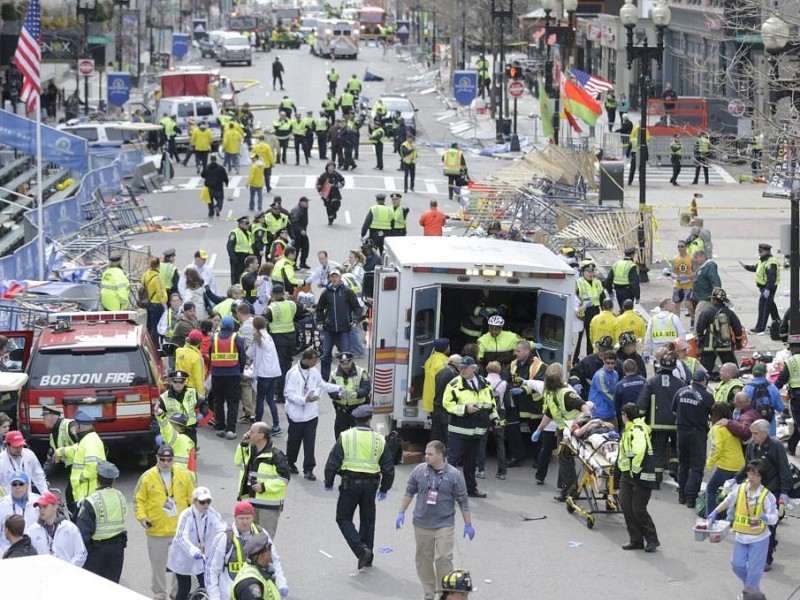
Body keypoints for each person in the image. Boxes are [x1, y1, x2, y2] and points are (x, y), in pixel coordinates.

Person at [395, 440, 472, 600]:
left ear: (440, 455)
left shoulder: (454, 475)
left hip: (444, 524)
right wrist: (401, 512)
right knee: (423, 559)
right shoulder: (418, 471)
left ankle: (444, 593)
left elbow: (463, 500)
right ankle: (429, 593)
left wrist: (468, 524)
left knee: (444, 558)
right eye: (426, 453)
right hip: (422, 523)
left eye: (430, 454)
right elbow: (409, 491)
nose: (426, 456)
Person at [323, 404, 395, 571]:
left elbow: (333, 461)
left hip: (350, 485)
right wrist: (385, 488)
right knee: (368, 521)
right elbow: (388, 468)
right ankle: (367, 556)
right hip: (371, 486)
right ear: (370, 419)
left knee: (343, 518)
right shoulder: (379, 439)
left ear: (355, 419)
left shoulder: (345, 436)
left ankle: (361, 550)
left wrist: (328, 482)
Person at [709, 460, 779, 596]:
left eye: (756, 475)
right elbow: (728, 500)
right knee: (737, 565)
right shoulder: (740, 489)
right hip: (741, 536)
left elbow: (774, 516)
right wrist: (715, 512)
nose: (751, 477)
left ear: (761, 477)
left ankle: (748, 594)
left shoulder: (766, 496)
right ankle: (753, 591)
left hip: (759, 538)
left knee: (754, 571)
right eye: (750, 473)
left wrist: (766, 518)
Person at [134, 445, 196, 600]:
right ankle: (159, 593)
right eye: (162, 459)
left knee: (180, 565)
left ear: (173, 459)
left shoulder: (184, 475)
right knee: (158, 566)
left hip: (179, 531)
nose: (166, 463)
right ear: (157, 458)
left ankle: (177, 592)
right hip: (156, 530)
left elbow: (193, 500)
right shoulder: (147, 477)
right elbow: (138, 500)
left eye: (169, 459)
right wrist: (142, 517)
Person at [732, 421, 793, 571]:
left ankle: (767, 559)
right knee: (755, 524)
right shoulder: (752, 446)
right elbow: (748, 465)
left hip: (772, 491)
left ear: (765, 433)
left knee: (770, 525)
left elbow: (784, 470)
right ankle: (761, 549)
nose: (752, 437)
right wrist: (735, 479)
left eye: (755, 434)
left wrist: (784, 492)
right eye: (752, 433)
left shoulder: (776, 446)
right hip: (756, 491)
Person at [530, 363, 591, 501]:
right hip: (563, 431)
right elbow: (550, 413)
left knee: (566, 460)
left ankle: (570, 490)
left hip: (572, 430)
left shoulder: (566, 393)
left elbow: (584, 407)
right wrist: (539, 430)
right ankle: (569, 488)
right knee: (565, 460)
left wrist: (583, 422)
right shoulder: (552, 393)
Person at [205, 501, 288, 600]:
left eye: (248, 518)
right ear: (235, 518)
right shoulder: (224, 538)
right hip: (229, 595)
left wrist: (281, 583)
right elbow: (211, 570)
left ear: (253, 517)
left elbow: (274, 560)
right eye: (241, 518)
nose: (244, 522)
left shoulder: (261, 533)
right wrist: (214, 597)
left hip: (255, 590)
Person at [442, 356, 499, 498]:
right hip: (459, 431)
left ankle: (471, 489)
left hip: (477, 431)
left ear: (473, 368)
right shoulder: (454, 384)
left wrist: (495, 418)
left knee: (471, 463)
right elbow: (447, 404)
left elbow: (491, 404)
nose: (461, 370)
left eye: (464, 368)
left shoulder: (485, 383)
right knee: (452, 462)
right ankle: (447, 491)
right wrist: (465, 409)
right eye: (460, 367)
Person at [285, 349, 342, 480]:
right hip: (296, 415)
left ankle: (308, 469)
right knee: (294, 442)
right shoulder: (292, 373)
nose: (316, 363)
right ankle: (290, 463)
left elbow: (323, 385)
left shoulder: (314, 372)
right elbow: (288, 394)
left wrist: (338, 388)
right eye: (314, 361)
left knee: (310, 443)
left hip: (311, 415)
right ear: (307, 359)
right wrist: (304, 400)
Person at [636, 350, 684, 487]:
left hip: (656, 424)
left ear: (659, 366)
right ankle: (675, 469)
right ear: (674, 367)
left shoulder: (652, 382)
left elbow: (642, 405)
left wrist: (640, 418)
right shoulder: (680, 384)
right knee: (675, 449)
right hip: (675, 424)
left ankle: (656, 480)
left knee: (658, 451)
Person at [169, 486, 225, 600]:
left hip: (202, 557)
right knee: (184, 588)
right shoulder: (186, 515)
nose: (206, 505)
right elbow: (180, 537)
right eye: (202, 502)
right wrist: (194, 551)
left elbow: (222, 527)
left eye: (208, 501)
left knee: (207, 585)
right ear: (194, 502)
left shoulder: (211, 512)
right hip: (184, 557)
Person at [235, 421, 290, 538]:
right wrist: (243, 444)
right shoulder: (250, 449)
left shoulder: (276, 455)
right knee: (249, 538)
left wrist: (264, 487)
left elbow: (284, 479)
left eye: (252, 431)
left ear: (261, 436)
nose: (248, 433)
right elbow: (238, 461)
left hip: (268, 506)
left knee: (265, 540)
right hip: (251, 502)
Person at [617, 402, 659, 552]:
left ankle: (652, 540)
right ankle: (636, 540)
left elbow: (640, 450)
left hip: (640, 476)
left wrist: (634, 469)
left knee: (638, 509)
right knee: (626, 506)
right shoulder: (627, 430)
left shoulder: (637, 430)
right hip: (627, 476)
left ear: (625, 415)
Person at [76, 461, 127, 582]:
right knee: (113, 585)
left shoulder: (92, 500)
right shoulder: (120, 496)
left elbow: (83, 531)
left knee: (95, 587)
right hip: (117, 549)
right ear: (113, 480)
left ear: (97, 479)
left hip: (97, 551)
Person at [672, 370, 715, 508]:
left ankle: (681, 494)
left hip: (682, 432)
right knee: (696, 466)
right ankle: (691, 497)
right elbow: (713, 415)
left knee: (684, 464)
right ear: (704, 381)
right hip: (697, 433)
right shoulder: (707, 396)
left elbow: (674, 411)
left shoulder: (681, 391)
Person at [52, 409, 105, 512]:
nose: (75, 429)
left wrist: (81, 479)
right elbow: (76, 450)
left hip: (87, 494)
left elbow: (92, 467)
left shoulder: (90, 442)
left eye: (76, 426)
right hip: (85, 493)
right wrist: (60, 451)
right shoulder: (87, 440)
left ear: (79, 426)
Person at [316, 268, 361, 381]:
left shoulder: (347, 292)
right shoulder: (326, 293)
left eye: (336, 276)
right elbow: (319, 309)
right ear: (330, 278)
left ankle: (348, 379)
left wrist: (355, 321)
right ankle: (324, 380)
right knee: (326, 355)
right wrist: (320, 322)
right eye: (332, 276)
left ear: (340, 278)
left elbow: (357, 308)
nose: (334, 278)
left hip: (344, 330)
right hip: (329, 330)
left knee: (346, 356)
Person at [704, 402, 745, 517]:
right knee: (734, 493)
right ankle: (732, 518)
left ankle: (711, 517)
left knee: (711, 489)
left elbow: (716, 447)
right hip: (740, 464)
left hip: (726, 465)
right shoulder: (732, 425)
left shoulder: (717, 428)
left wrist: (709, 463)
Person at [27, 491, 87, 565]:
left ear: (55, 506)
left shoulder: (70, 528)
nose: (41, 510)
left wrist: (69, 570)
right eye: (39, 507)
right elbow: (27, 556)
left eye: (45, 506)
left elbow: (81, 553)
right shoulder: (32, 530)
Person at [211, 315, 247, 439]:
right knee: (233, 402)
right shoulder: (237, 338)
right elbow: (242, 356)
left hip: (216, 374)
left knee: (218, 401)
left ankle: (220, 427)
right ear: (232, 326)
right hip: (233, 374)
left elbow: (210, 352)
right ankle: (231, 430)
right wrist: (240, 370)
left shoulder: (214, 337)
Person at [695, 287, 743, 373]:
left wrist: (700, 339)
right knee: (732, 370)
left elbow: (700, 328)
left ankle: (702, 384)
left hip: (709, 346)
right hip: (726, 346)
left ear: (714, 300)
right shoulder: (729, 312)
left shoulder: (707, 312)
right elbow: (737, 327)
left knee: (704, 371)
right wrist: (738, 341)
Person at [740, 243, 780, 335]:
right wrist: (746, 267)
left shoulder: (771, 263)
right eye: (759, 251)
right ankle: (777, 321)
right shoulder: (764, 260)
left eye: (760, 251)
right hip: (764, 288)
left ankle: (760, 327)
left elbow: (771, 278)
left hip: (768, 288)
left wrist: (768, 290)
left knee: (764, 307)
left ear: (766, 251)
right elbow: (756, 268)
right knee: (770, 305)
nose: (759, 253)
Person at [230, 531, 282, 600]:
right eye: (269, 548)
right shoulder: (249, 583)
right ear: (264, 555)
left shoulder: (261, 571)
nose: (271, 552)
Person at [0, 471, 39, 555]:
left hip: (33, 552)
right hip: (8, 552)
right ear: (10, 486)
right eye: (14, 484)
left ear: (27, 485)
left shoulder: (38, 501)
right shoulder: (2, 505)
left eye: (21, 484)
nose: (18, 487)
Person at [0, 430, 48, 494]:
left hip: (28, 499)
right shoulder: (1, 460)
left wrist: (46, 494)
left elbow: (38, 476)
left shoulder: (29, 455)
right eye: (15, 447)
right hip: (8, 500)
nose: (19, 449)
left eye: (21, 446)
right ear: (7, 445)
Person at [743, 363, 784, 437]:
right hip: (770, 431)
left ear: (753, 374)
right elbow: (780, 408)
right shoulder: (773, 388)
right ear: (765, 374)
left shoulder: (746, 388)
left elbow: (742, 409)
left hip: (752, 431)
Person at [574, 260, 605, 357]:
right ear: (582, 272)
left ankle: (590, 356)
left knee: (592, 337)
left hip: (595, 312)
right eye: (588, 271)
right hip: (582, 314)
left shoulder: (597, 283)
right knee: (578, 339)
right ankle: (575, 359)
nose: (591, 273)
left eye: (592, 271)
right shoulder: (578, 283)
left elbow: (602, 297)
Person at [644, 298, 685, 365]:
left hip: (657, 354)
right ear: (666, 306)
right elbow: (681, 334)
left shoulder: (653, 319)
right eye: (671, 304)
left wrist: (646, 352)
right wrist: (682, 351)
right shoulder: (674, 317)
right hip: (672, 353)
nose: (673, 305)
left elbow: (648, 337)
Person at [589, 350, 621, 430]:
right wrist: (618, 404)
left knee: (615, 438)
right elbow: (605, 393)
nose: (610, 365)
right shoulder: (599, 375)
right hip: (598, 414)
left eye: (612, 363)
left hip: (611, 414)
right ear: (603, 361)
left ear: (616, 362)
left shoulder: (615, 374)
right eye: (608, 363)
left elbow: (615, 391)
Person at [142, 255, 168, 345]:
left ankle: (148, 343)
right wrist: (164, 303)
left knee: (150, 325)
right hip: (157, 304)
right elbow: (161, 292)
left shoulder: (146, 275)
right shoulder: (157, 277)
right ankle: (155, 345)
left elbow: (142, 284)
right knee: (157, 326)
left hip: (149, 303)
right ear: (158, 265)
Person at [422, 339, 450, 416]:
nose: (449, 347)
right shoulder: (443, 363)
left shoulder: (430, 359)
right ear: (444, 348)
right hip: (438, 399)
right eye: (448, 346)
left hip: (429, 398)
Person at [671, 239, 695, 325]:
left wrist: (687, 277)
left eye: (682, 246)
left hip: (688, 285)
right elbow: (673, 272)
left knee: (688, 304)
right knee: (676, 304)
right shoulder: (675, 259)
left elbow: (696, 272)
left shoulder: (691, 258)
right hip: (678, 285)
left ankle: (693, 318)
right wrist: (676, 277)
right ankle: (677, 323)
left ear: (686, 247)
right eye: (678, 246)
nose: (680, 248)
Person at [692, 249, 720, 316]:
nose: (695, 260)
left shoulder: (710, 266)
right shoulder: (702, 267)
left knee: (699, 311)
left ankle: (698, 326)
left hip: (707, 297)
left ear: (703, 257)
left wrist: (715, 297)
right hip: (701, 296)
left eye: (696, 257)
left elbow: (715, 281)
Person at [288, 197, 310, 270]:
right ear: (301, 202)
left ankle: (302, 263)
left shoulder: (304, 209)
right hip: (296, 233)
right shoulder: (296, 210)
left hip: (302, 233)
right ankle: (293, 264)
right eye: (306, 202)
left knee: (305, 247)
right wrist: (300, 230)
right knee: (296, 249)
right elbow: (294, 223)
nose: (308, 204)